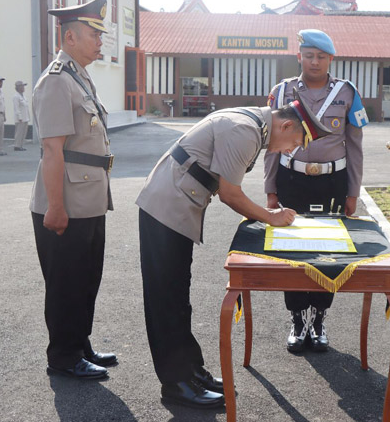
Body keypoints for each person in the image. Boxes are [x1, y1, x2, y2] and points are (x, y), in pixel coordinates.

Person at [135, 95, 331, 409]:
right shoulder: (246, 130)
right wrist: (271, 216)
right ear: (285, 124)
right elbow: (230, 193)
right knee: (166, 301)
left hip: (176, 205)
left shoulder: (254, 124)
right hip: (166, 208)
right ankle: (177, 385)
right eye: (295, 141)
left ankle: (191, 372)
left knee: (177, 300)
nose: (291, 151)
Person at [264, 29, 368, 353]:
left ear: (330, 60)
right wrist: (270, 190)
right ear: (299, 56)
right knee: (293, 253)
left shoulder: (347, 93)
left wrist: (353, 193)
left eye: (321, 56)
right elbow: (271, 147)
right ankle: (297, 319)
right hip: (291, 180)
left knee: (328, 253)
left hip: (331, 184)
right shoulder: (281, 93)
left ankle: (319, 319)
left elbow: (355, 146)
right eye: (309, 55)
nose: (314, 61)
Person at [29, 0, 116, 381]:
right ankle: (63, 356)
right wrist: (55, 207)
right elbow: (52, 149)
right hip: (66, 200)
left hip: (90, 197)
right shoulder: (55, 82)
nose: (100, 42)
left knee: (86, 277)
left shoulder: (79, 76)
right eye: (94, 35)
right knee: (65, 282)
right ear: (69, 36)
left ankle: (79, 343)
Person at [12, 80, 29, 151]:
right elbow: (17, 108)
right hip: (20, 118)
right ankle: (17, 145)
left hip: (25, 117)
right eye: (22, 86)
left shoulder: (23, 96)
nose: (24, 87)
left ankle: (21, 145)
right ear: (18, 87)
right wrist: (20, 117)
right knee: (19, 132)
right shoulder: (16, 96)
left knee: (23, 132)